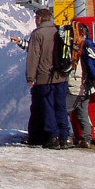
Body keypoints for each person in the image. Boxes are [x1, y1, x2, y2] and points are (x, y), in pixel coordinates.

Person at [26, 8, 70, 148]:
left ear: (39, 19)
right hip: (62, 76)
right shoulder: (60, 31)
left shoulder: (38, 34)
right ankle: (64, 136)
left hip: (45, 77)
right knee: (61, 107)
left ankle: (53, 137)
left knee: (48, 108)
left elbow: (34, 57)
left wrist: (30, 77)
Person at [68, 23, 95, 148]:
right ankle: (87, 139)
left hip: (75, 86)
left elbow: (74, 70)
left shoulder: (75, 50)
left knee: (63, 110)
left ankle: (67, 136)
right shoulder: (88, 47)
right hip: (87, 87)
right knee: (83, 113)